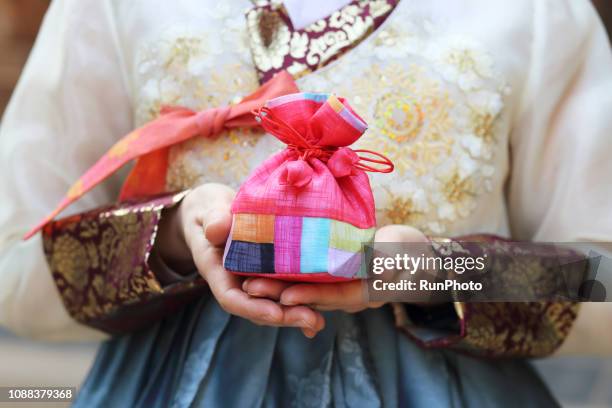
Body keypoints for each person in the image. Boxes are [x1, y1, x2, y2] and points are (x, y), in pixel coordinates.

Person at [1, 0, 611, 406]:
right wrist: (174, 235)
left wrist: (430, 269)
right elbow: (14, 263)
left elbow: (599, 280)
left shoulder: (536, 12)